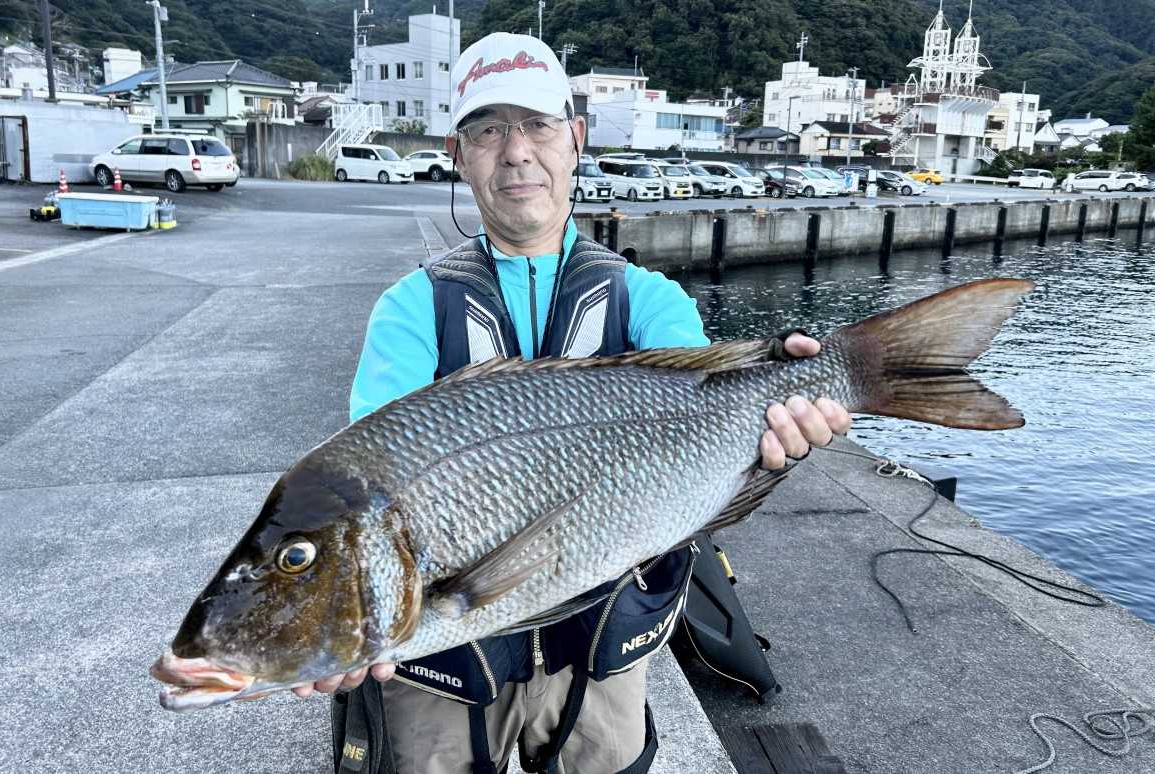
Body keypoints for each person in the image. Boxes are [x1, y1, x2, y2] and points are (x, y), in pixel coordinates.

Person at [296, 32, 851, 774]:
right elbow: (377, 487)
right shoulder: (410, 310)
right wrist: (341, 617)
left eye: (537, 125)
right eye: (487, 129)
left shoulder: (648, 298)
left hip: (603, 646)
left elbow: (711, 398)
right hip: (446, 664)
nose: (516, 151)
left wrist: (782, 396)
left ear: (576, 140)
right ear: (459, 155)